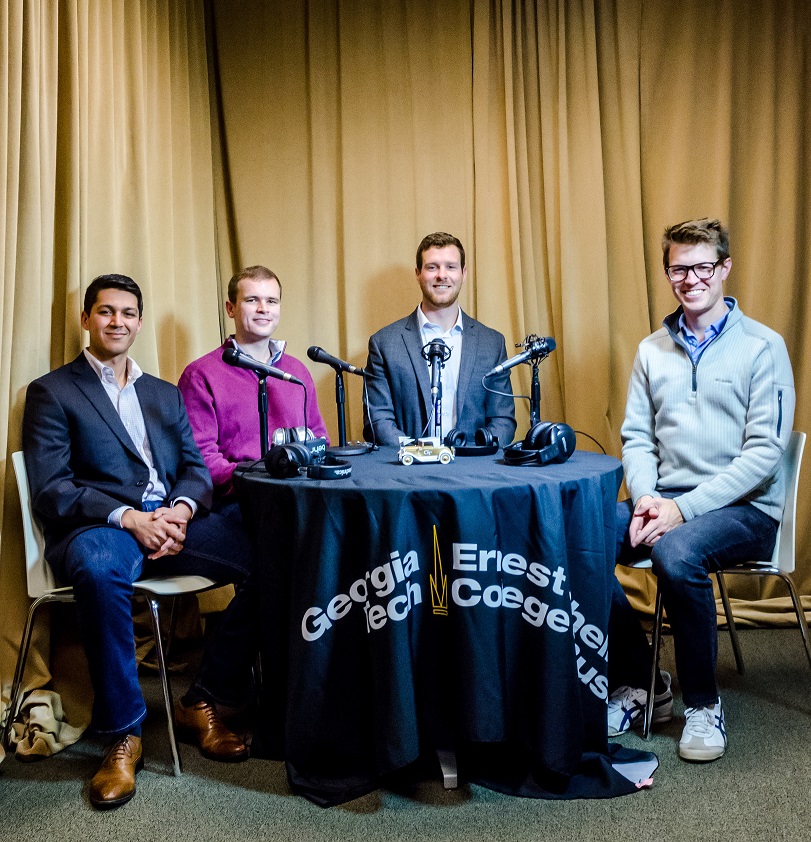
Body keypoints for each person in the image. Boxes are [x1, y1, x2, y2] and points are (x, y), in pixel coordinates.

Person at [22, 274, 260, 810]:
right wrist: (129, 518)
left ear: (139, 321)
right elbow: (52, 489)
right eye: (106, 312)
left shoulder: (162, 392)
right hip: (102, 527)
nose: (117, 322)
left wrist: (180, 510)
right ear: (86, 319)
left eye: (128, 313)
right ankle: (123, 734)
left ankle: (203, 700)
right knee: (100, 572)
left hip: (173, 522)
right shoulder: (53, 391)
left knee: (273, 553)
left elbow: (196, 469)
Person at [607, 218, 795, 761]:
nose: (690, 279)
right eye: (678, 268)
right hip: (661, 500)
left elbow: (764, 456)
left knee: (675, 550)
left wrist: (681, 509)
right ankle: (642, 682)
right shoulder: (651, 349)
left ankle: (704, 706)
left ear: (724, 269)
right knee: (579, 535)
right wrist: (647, 498)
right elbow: (636, 437)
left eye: (701, 267)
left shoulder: (763, 347)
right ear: (667, 273)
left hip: (744, 510)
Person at [178, 265, 328, 502]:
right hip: (240, 500)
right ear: (230, 308)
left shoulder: (297, 371)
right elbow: (202, 456)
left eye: (272, 301)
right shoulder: (200, 375)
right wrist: (257, 480)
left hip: (300, 494)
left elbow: (319, 438)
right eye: (252, 300)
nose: (263, 309)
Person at [363, 232, 516, 446]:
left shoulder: (492, 344)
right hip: (409, 473)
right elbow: (378, 421)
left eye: (451, 267)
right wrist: (418, 454)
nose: (442, 275)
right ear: (418, 273)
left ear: (464, 273)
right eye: (432, 267)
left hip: (475, 474)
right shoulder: (384, 344)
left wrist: (474, 457)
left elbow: (503, 420)